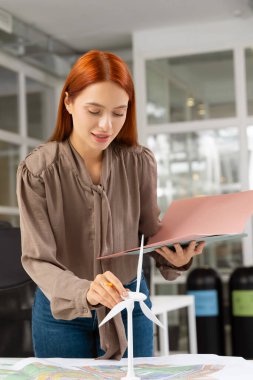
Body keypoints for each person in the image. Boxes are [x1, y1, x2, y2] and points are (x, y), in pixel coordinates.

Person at [16, 50, 205, 360]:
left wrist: (176, 258)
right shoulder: (38, 170)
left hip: (130, 305)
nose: (106, 124)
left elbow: (149, 231)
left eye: (119, 112)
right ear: (68, 103)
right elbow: (38, 260)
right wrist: (85, 291)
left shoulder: (138, 162)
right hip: (61, 314)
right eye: (94, 110)